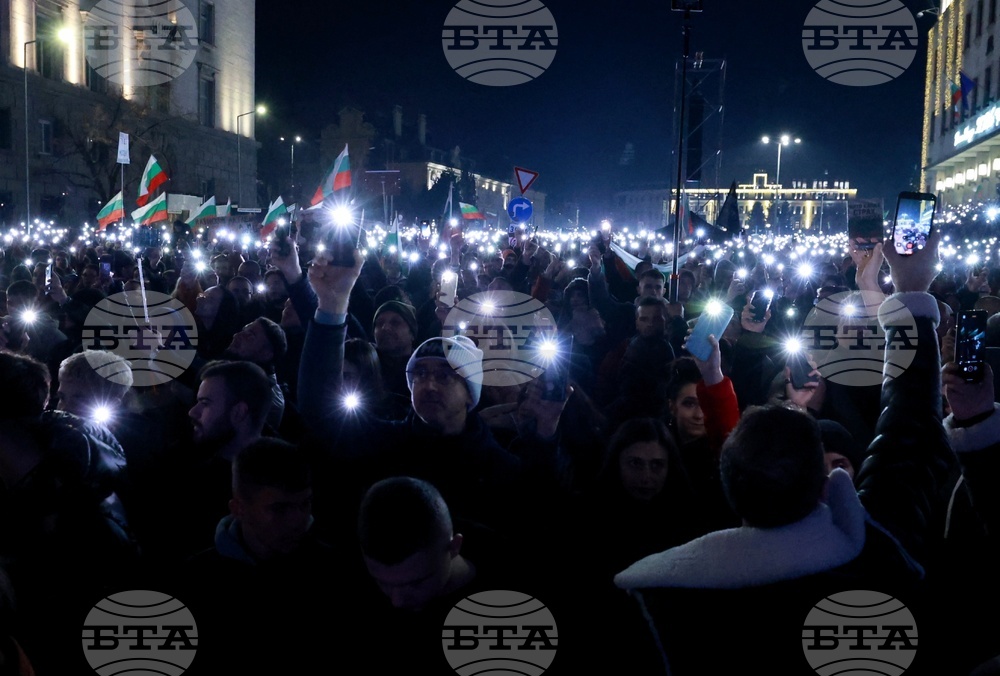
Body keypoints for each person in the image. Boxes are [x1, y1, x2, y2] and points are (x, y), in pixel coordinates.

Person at [613, 230, 977, 674]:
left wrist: (714, 383)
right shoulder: (878, 551)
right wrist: (912, 293)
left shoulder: (658, 609)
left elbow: (748, 457)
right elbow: (912, 423)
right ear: (825, 483)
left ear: (731, 490)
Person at [297, 249, 568, 537]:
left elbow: (541, 511)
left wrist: (545, 434)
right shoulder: (383, 443)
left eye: (445, 376)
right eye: (420, 374)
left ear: (470, 394)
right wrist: (332, 305)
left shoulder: (497, 466)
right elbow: (319, 410)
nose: (429, 385)